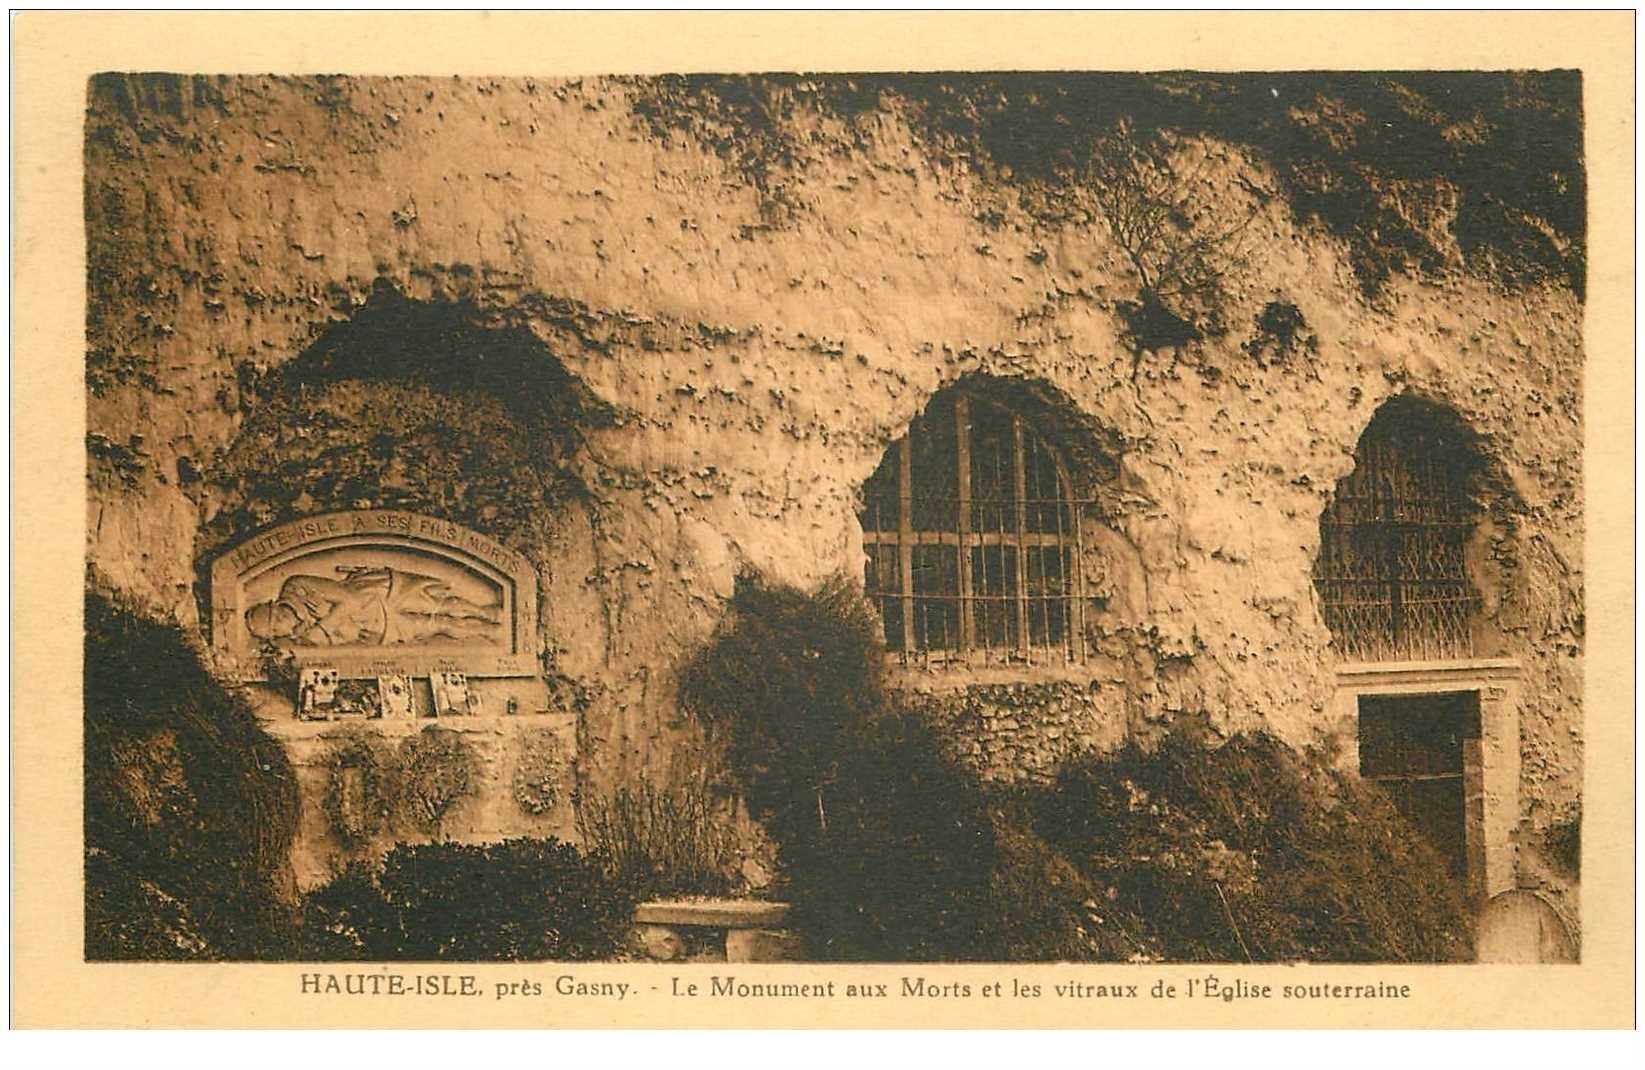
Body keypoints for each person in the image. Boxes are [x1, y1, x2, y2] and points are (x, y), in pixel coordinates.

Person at [245, 564, 502, 647]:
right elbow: (347, 635)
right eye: (275, 637)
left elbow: (350, 598)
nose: (281, 636)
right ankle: (488, 631)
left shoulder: (296, 585)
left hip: (381, 592)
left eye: (275, 632)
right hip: (371, 622)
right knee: (439, 625)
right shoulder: (301, 635)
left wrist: (323, 627)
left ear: (277, 615)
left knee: (441, 605)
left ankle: (486, 612)